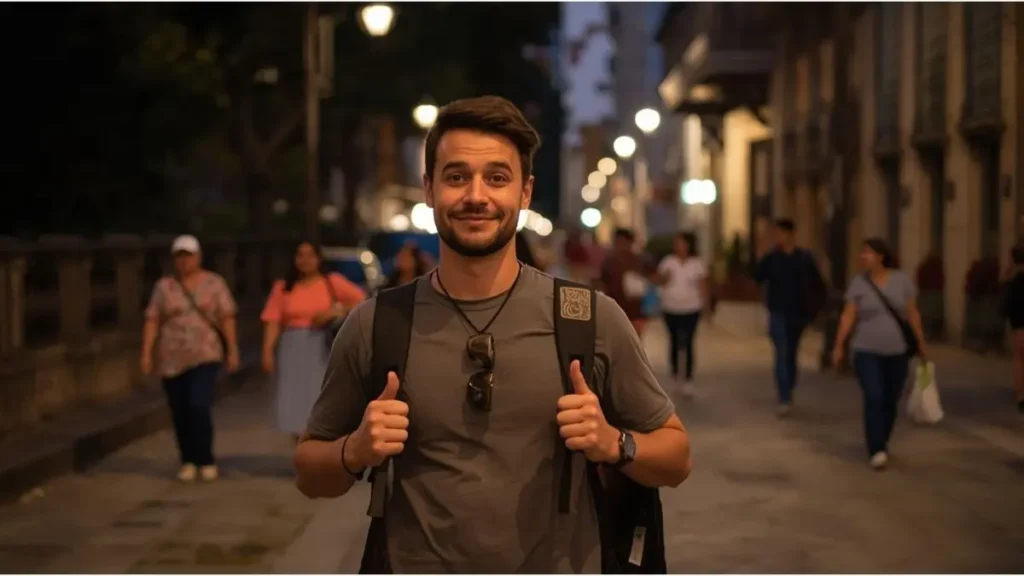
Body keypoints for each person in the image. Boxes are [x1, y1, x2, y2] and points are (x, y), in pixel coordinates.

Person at [294, 96, 691, 573]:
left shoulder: (588, 319)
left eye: (497, 178)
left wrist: (615, 443)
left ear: (525, 193)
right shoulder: (376, 325)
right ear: (429, 188)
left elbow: (677, 457)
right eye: (456, 176)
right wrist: (353, 450)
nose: (476, 195)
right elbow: (310, 471)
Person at [141, 234, 240, 482]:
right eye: (180, 257)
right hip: (171, 356)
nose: (185, 262)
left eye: (189, 256)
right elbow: (152, 319)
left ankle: (205, 457)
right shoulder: (164, 287)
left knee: (199, 404)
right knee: (180, 409)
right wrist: (146, 352)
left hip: (205, 352)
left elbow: (227, 316)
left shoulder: (214, 283)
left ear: (198, 257)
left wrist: (233, 348)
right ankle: (188, 458)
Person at [831, 238, 928, 469]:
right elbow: (848, 315)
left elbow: (912, 314)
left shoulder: (901, 280)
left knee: (890, 399)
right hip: (866, 351)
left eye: (867, 253)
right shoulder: (858, 284)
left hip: (897, 352)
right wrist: (838, 345)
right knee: (874, 396)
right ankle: (876, 448)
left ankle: (881, 438)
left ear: (881, 256)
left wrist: (922, 344)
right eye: (862, 253)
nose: (862, 257)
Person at [261, 241, 366, 442]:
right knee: (294, 400)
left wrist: (336, 311)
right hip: (292, 346)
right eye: (300, 255)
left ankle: (319, 446)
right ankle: (300, 450)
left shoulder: (331, 282)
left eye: (310, 255)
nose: (305, 260)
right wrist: (266, 352)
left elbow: (361, 298)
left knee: (319, 396)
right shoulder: (284, 287)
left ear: (318, 259)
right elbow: (272, 320)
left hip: (322, 344)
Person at [753, 218, 825, 416]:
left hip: (798, 312)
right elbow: (758, 277)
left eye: (781, 233)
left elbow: (818, 284)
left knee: (791, 353)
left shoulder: (803, 258)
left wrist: (815, 308)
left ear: (791, 234)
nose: (778, 237)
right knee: (782, 352)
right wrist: (761, 255)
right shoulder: (772, 258)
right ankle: (784, 396)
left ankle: (789, 388)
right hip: (777, 311)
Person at [652, 232, 708, 395]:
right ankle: (676, 374)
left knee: (689, 342)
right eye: (677, 243)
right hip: (671, 307)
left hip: (692, 308)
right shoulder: (668, 262)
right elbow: (658, 280)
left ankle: (688, 378)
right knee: (674, 341)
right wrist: (664, 277)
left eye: (682, 243)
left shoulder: (697, 264)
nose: (679, 246)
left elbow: (703, 285)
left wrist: (706, 308)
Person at [601, 228, 655, 335]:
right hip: (614, 311)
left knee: (634, 344)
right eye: (617, 242)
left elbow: (653, 278)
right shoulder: (609, 262)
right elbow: (602, 283)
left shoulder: (640, 260)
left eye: (622, 242)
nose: (619, 245)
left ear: (630, 242)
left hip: (636, 311)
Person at [1001, 245, 1024, 413]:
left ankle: (1021, 396)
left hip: (1018, 326)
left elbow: (1005, 306)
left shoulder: (1013, 281)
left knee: (1019, 359)